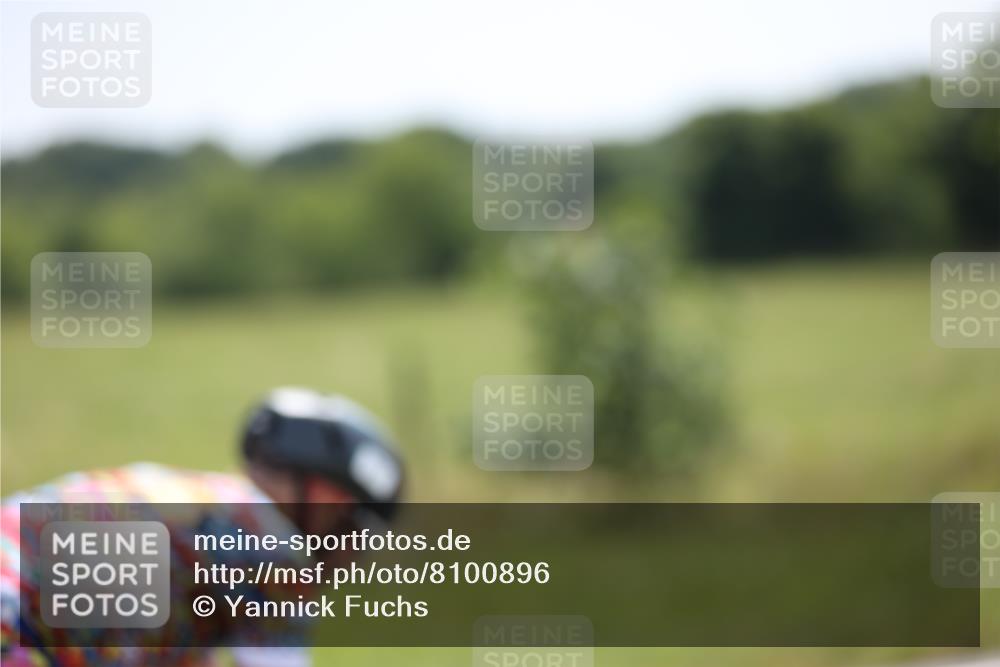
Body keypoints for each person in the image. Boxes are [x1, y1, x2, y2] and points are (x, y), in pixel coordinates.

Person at [0, 387, 405, 667]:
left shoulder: (198, 507)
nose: (351, 552)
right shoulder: (274, 553)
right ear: (324, 495)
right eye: (351, 526)